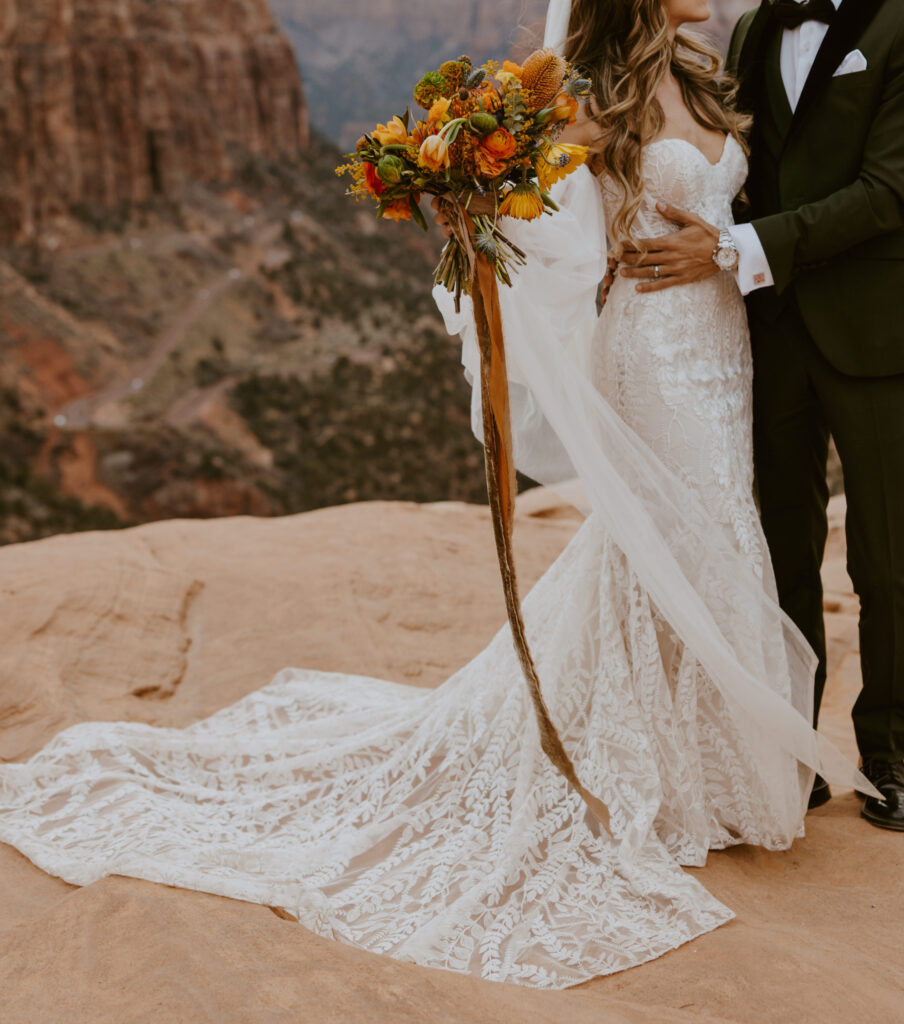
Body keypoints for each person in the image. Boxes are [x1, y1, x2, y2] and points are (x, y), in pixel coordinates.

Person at [0, 0, 879, 991]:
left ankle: (706, 770)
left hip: (724, 345)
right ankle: (657, 777)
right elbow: (526, 206)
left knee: (717, 531)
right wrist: (469, 198)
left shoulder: (705, 63)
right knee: (671, 541)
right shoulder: (590, 91)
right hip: (652, 347)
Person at [618, 0, 904, 830]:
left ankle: (892, 748)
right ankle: (788, 746)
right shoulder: (749, 32)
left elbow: (889, 190)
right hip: (761, 332)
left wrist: (736, 250)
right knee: (775, 547)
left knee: (888, 556)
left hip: (874, 326)